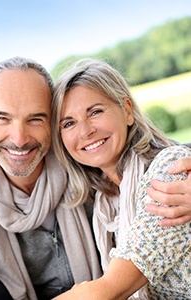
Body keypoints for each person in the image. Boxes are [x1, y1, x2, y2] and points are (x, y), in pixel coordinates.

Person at [0, 56, 191, 300]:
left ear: (51, 122)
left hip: (103, 291)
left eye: (35, 119)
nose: (18, 139)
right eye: (2, 118)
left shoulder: (84, 165)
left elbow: (163, 158)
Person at [51, 58, 191, 299]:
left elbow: (108, 292)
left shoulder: (169, 172)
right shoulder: (106, 204)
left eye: (95, 112)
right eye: (69, 123)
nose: (85, 131)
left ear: (127, 110)